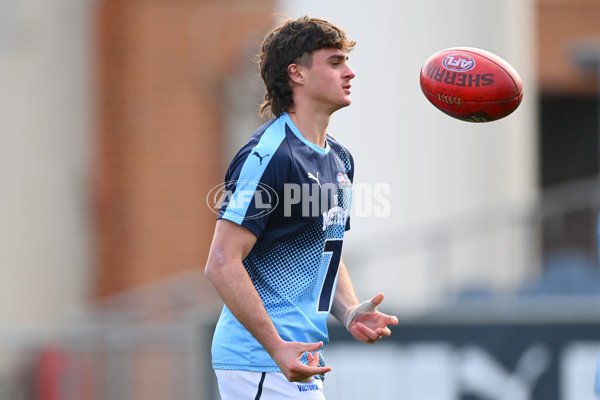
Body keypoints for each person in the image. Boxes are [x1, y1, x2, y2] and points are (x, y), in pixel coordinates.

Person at [204, 15, 398, 399]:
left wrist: (349, 311)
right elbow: (223, 261)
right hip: (259, 361)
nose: (350, 73)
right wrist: (275, 347)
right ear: (297, 74)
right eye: (335, 62)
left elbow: (325, 249)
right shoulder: (270, 156)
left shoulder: (340, 159)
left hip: (295, 360)